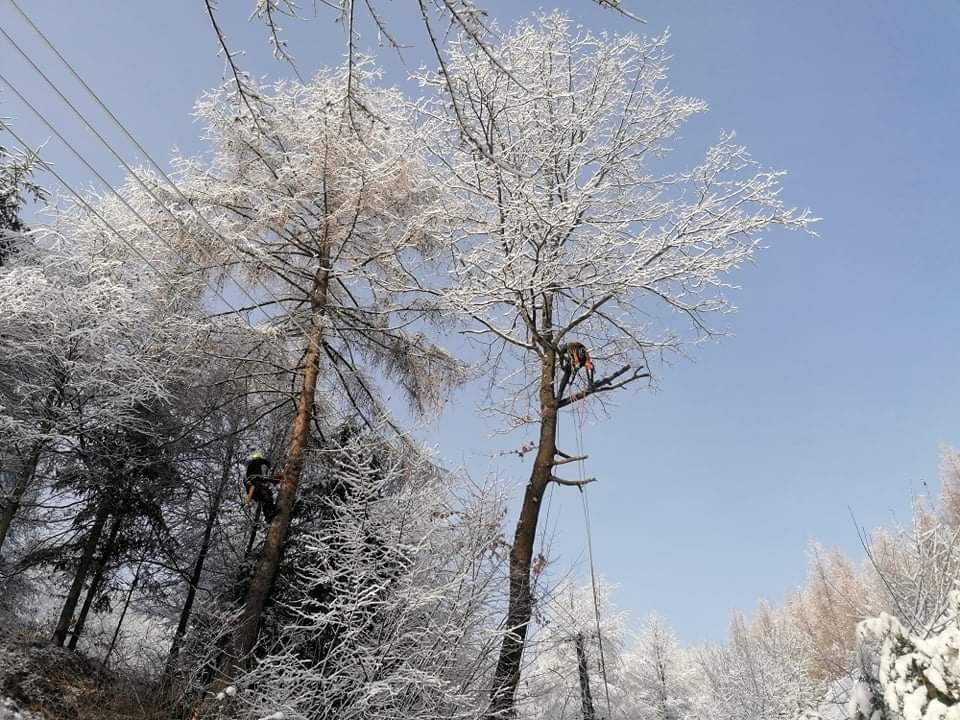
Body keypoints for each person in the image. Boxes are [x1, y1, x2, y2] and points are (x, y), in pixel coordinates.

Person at [244, 451, 279, 522]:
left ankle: (268, 515)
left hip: (253, 492)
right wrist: (268, 464)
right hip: (255, 487)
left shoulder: (251, 470)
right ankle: (270, 511)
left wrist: (274, 480)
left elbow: (262, 479)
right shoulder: (255, 463)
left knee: (266, 497)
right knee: (267, 494)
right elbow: (262, 477)